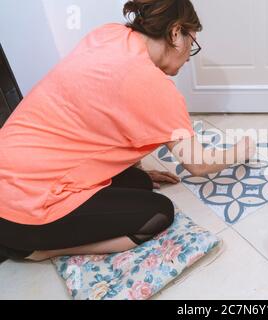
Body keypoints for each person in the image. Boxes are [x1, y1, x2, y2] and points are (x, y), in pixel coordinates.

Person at [0, 0, 255, 263]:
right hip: (20, 210)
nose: (190, 55)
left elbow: (108, 115)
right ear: (176, 32)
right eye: (192, 43)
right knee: (158, 213)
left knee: (141, 183)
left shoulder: (109, 34)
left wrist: (133, 169)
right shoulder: (152, 85)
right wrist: (242, 149)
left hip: (12, 172)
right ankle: (43, 251)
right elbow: (198, 163)